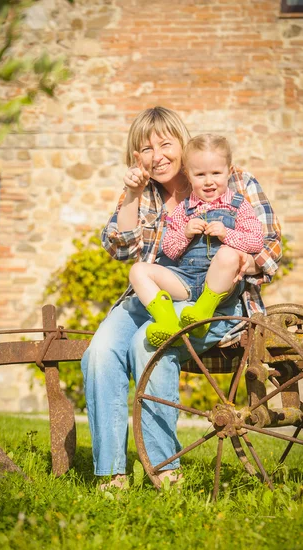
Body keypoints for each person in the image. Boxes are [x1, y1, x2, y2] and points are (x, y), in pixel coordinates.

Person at [81, 106, 282, 489]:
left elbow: (271, 247)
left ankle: (165, 469)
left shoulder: (232, 180)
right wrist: (131, 196)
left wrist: (239, 260)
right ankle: (112, 475)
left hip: (208, 300)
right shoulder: (146, 194)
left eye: (164, 144)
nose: (156, 156)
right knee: (99, 352)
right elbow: (122, 250)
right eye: (144, 149)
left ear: (182, 142)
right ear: (135, 157)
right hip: (153, 295)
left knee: (147, 345)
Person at [128, 134, 264, 346]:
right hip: (187, 280)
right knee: (138, 270)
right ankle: (167, 322)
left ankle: (202, 313)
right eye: (200, 175)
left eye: (216, 173)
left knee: (228, 253)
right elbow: (170, 251)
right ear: (188, 176)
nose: (209, 181)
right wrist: (185, 233)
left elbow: (255, 242)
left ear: (229, 172)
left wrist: (226, 234)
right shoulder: (185, 209)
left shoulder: (239, 206)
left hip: (221, 287)